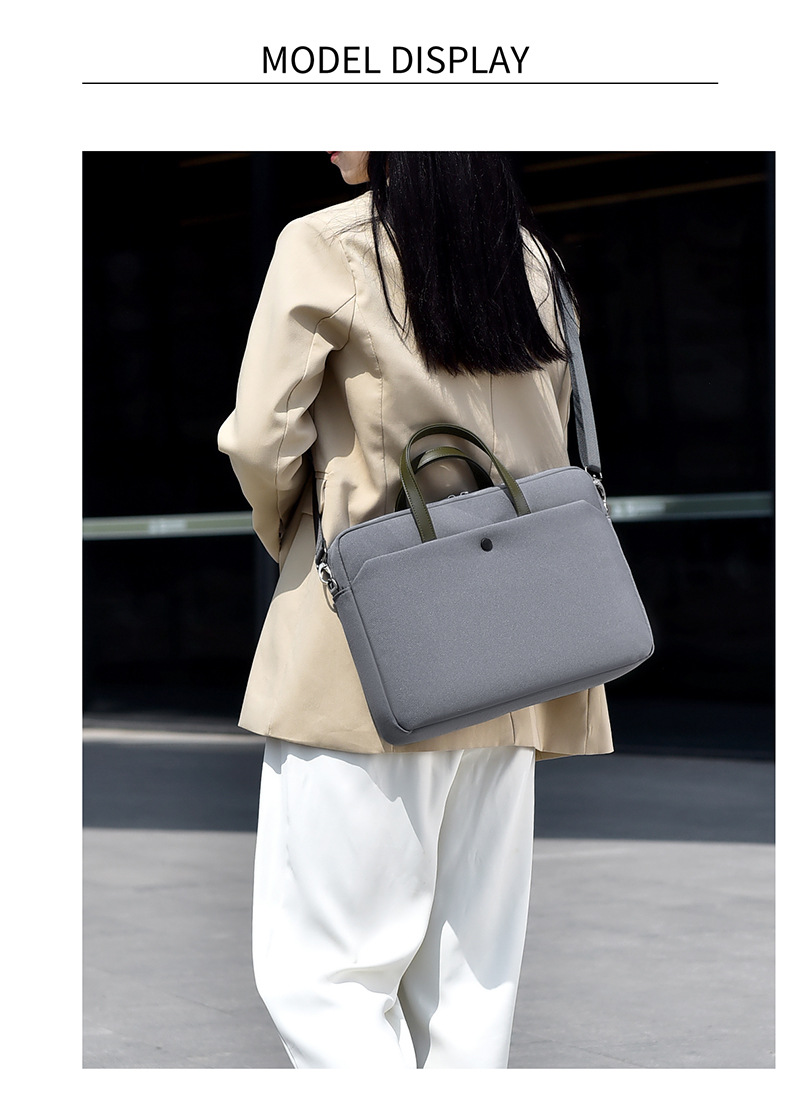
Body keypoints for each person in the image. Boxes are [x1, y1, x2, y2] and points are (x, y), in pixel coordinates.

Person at [217, 151, 613, 1069]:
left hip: (373, 643)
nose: (323, 137)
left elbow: (261, 437)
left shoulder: (327, 243)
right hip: (518, 650)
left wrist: (302, 542)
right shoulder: (530, 258)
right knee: (471, 983)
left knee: (326, 974)